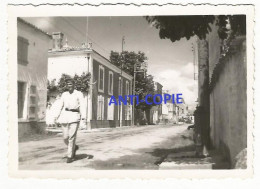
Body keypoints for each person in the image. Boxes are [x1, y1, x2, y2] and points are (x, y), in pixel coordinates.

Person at [54, 78, 86, 163]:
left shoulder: (79, 94)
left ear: (74, 85)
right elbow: (60, 105)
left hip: (75, 116)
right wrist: (56, 116)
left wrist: (83, 118)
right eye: (68, 84)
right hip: (65, 116)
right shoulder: (64, 94)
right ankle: (74, 148)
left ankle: (70, 156)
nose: (69, 86)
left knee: (71, 137)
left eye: (71, 84)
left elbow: (82, 105)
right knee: (65, 137)